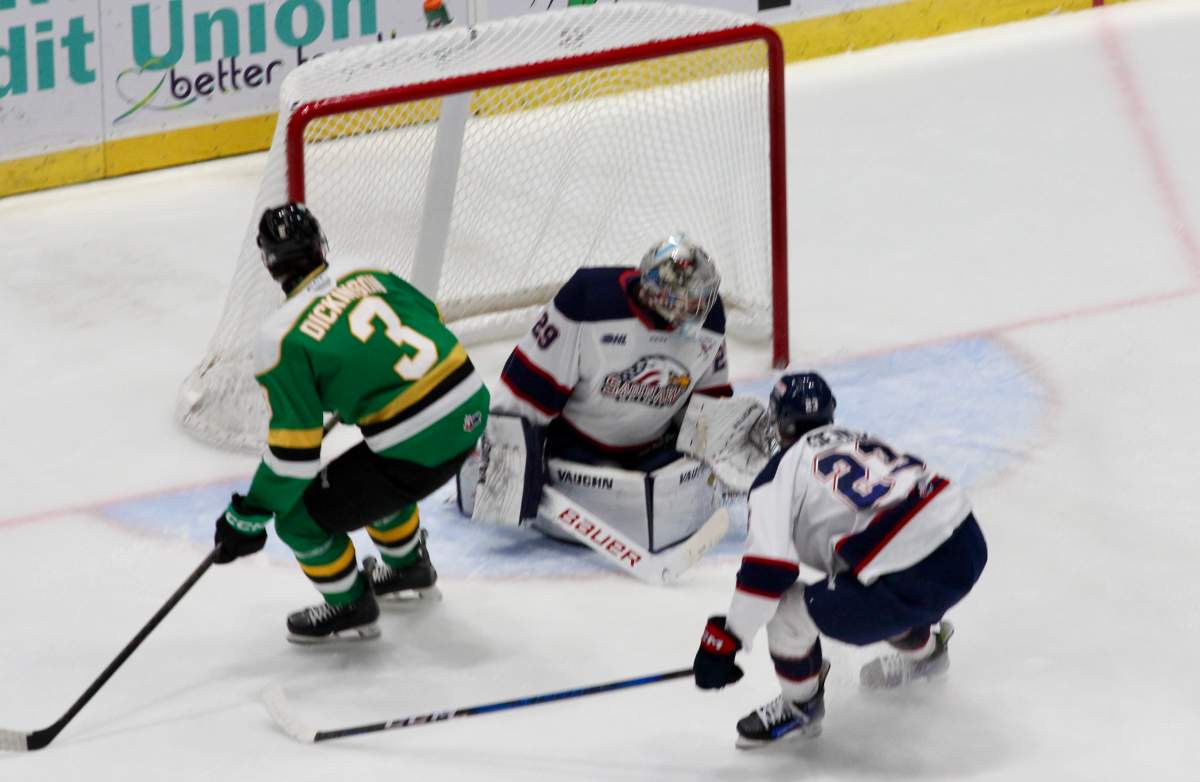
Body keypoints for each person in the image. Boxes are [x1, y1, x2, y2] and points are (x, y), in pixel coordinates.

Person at [210, 203, 490, 643]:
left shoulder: (280, 336)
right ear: (321, 244)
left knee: (300, 519)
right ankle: (408, 568)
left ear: (269, 264)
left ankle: (349, 606)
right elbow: (429, 318)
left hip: (418, 447)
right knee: (373, 474)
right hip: (472, 410)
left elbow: (294, 454)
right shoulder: (365, 271)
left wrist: (249, 514)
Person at [692, 372, 987, 748]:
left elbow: (765, 576)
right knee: (864, 579)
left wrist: (728, 638)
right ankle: (927, 653)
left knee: (789, 611)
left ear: (778, 422)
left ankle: (800, 708)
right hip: (966, 541)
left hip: (909, 574)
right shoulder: (860, 437)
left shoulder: (776, 476)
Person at [457, 233, 735, 556]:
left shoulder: (709, 319)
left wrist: (718, 452)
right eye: (689, 299)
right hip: (576, 444)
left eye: (703, 298)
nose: (700, 308)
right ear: (657, 292)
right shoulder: (589, 300)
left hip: (652, 447)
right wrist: (509, 459)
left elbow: (709, 400)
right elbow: (527, 384)